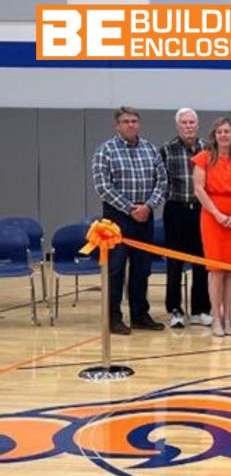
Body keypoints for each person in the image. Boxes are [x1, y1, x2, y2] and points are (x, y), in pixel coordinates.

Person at [91, 106, 167, 335]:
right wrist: (129, 208)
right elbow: (102, 186)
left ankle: (140, 315)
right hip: (116, 219)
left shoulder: (150, 149)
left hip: (145, 216)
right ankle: (113, 317)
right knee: (115, 269)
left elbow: (162, 181)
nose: (131, 125)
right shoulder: (105, 150)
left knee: (142, 268)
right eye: (126, 121)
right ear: (118, 125)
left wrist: (148, 206)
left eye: (134, 121)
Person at [191, 118, 231, 337]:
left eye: (227, 131)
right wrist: (217, 214)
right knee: (216, 270)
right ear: (214, 135)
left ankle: (228, 317)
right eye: (219, 132)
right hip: (212, 217)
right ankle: (215, 318)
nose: (223, 135)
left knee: (230, 271)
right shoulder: (204, 159)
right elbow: (199, 189)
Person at [160, 107, 210, 328]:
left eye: (192, 122)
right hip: (176, 210)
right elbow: (162, 181)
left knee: (202, 262)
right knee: (175, 263)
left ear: (197, 125)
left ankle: (201, 310)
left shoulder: (208, 149)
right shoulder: (167, 150)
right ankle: (175, 310)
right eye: (185, 123)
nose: (189, 126)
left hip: (202, 211)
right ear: (177, 126)